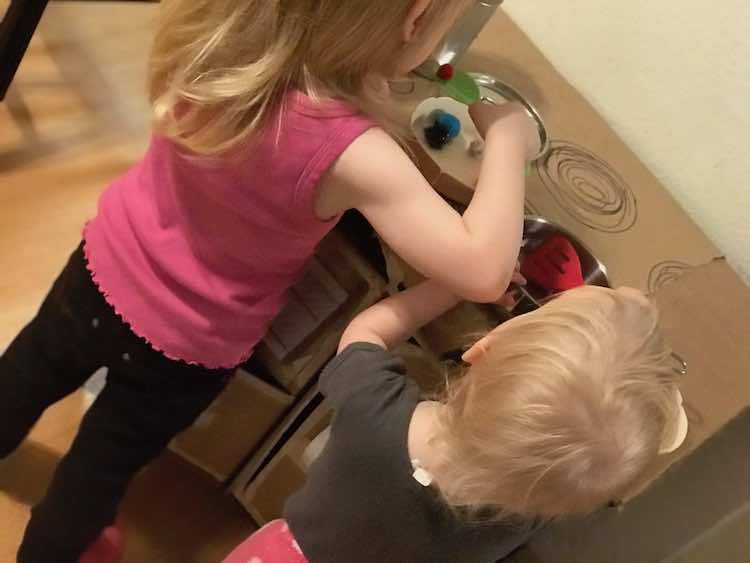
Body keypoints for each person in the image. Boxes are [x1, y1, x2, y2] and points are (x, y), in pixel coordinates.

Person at [0, 1, 540, 561]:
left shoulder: (210, 32)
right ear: (414, 19)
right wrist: (507, 136)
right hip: (187, 346)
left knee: (26, 372)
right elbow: (485, 270)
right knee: (100, 467)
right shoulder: (354, 153)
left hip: (99, 270)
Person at [221, 283, 686, 563]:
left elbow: (365, 334)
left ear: (480, 348)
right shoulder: (526, 516)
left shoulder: (377, 411)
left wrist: (453, 287)